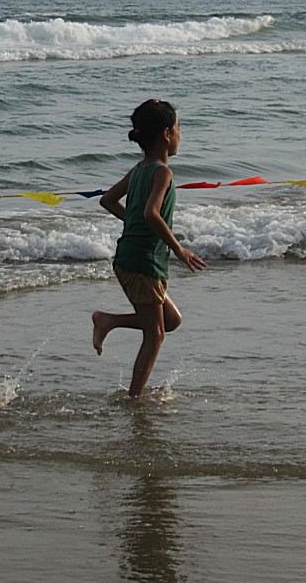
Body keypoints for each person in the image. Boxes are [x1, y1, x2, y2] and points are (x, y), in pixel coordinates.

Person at [91, 99, 207, 398]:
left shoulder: (139, 170)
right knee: (154, 335)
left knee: (171, 321)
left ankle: (109, 320)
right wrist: (180, 250)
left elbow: (107, 200)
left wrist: (135, 220)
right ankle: (134, 399)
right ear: (166, 134)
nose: (181, 134)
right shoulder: (162, 173)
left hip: (130, 257)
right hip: (143, 261)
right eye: (179, 128)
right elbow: (151, 214)